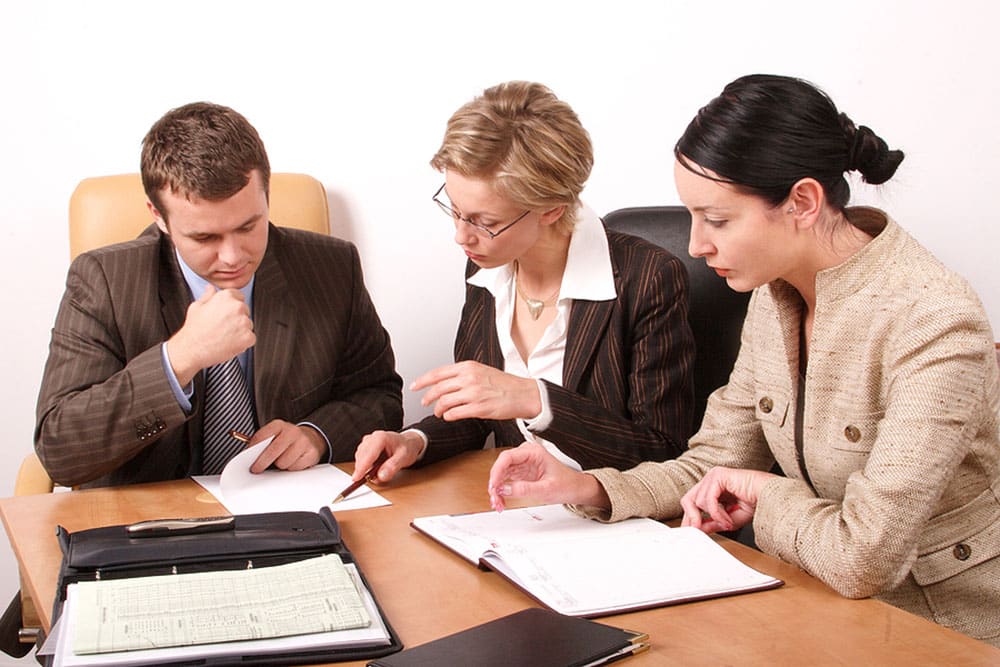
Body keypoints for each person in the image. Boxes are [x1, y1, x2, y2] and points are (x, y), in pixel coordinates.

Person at [487, 74, 1000, 647]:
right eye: (692, 218)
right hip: (817, 605)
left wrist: (764, 493)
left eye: (718, 220)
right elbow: (712, 462)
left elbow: (864, 558)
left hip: (941, 629)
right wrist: (589, 489)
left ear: (802, 201)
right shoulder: (774, 293)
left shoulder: (935, 319)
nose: (695, 246)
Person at [35, 102, 403, 488]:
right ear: (158, 216)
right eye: (204, 237)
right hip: (150, 526)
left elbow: (380, 397)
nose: (232, 257)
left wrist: (316, 434)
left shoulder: (330, 266)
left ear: (266, 195)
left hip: (286, 516)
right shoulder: (104, 281)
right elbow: (60, 451)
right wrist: (179, 360)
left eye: (248, 226)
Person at [353, 81, 695, 484]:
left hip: (610, 518)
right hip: (514, 510)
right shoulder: (485, 267)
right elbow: (481, 414)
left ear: (551, 208)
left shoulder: (648, 278)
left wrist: (537, 400)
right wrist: (415, 440)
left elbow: (663, 452)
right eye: (456, 210)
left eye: (485, 221)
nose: (461, 236)